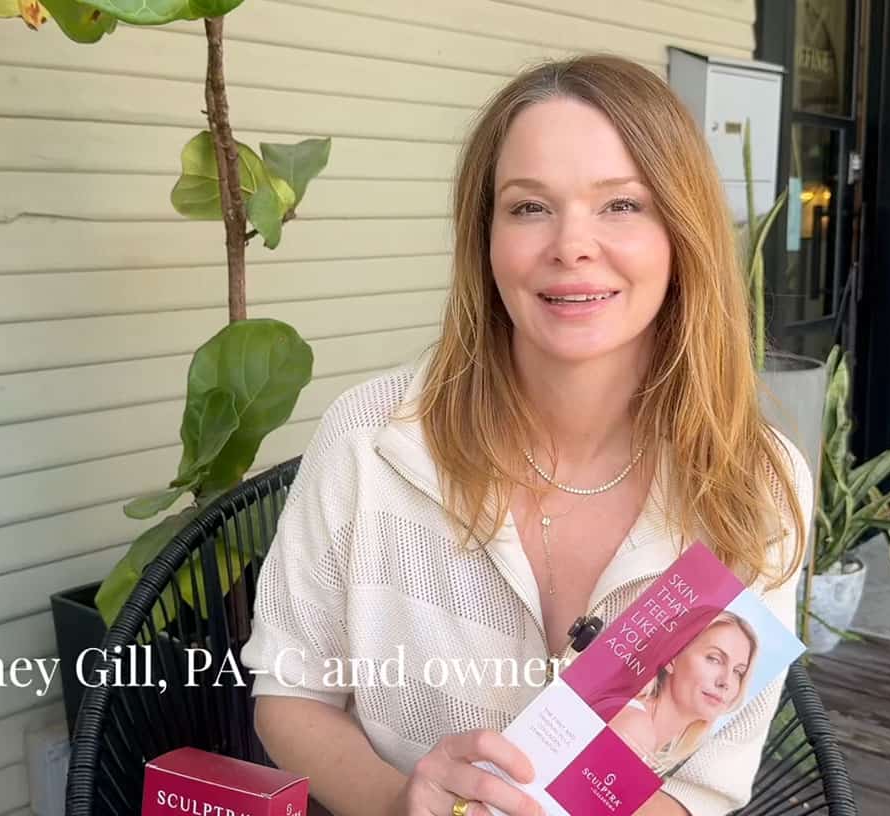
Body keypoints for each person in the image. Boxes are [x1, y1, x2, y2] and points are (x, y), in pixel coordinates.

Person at [239, 53, 813, 816]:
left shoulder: (756, 485)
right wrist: (400, 801)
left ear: (684, 233)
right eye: (530, 207)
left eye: (622, 204)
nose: (571, 245)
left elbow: (701, 786)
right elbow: (289, 694)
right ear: (485, 238)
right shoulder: (370, 441)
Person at [607, 612, 760, 775]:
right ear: (672, 657)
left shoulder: (647, 735)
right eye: (714, 659)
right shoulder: (634, 729)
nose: (726, 682)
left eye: (738, 672)